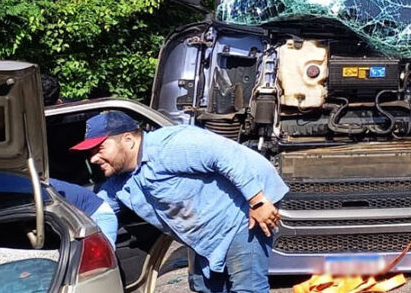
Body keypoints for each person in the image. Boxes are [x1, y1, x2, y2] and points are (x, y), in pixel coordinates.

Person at [70, 111, 288, 293]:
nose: (93, 159)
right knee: (206, 287)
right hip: (204, 238)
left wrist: (258, 201)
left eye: (99, 149)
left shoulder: (169, 145)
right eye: (90, 153)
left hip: (240, 218)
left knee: (248, 288)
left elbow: (225, 155)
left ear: (128, 140)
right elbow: (96, 209)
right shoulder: (119, 183)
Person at [49, 177, 118, 244]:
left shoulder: (48, 188)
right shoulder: (43, 185)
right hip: (80, 218)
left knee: (102, 252)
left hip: (100, 216)